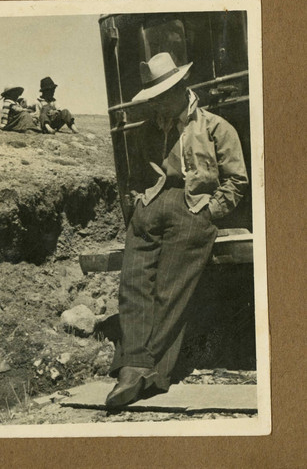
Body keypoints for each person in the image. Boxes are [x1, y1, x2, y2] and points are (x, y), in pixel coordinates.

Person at [105, 52, 249, 408]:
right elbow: (138, 175)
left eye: (163, 94)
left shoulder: (215, 127)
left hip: (193, 209)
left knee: (170, 289)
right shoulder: (147, 131)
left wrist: (210, 210)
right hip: (152, 210)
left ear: (182, 88)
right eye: (154, 97)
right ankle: (133, 364)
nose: (158, 104)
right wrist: (140, 202)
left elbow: (236, 180)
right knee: (133, 283)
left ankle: (149, 368)